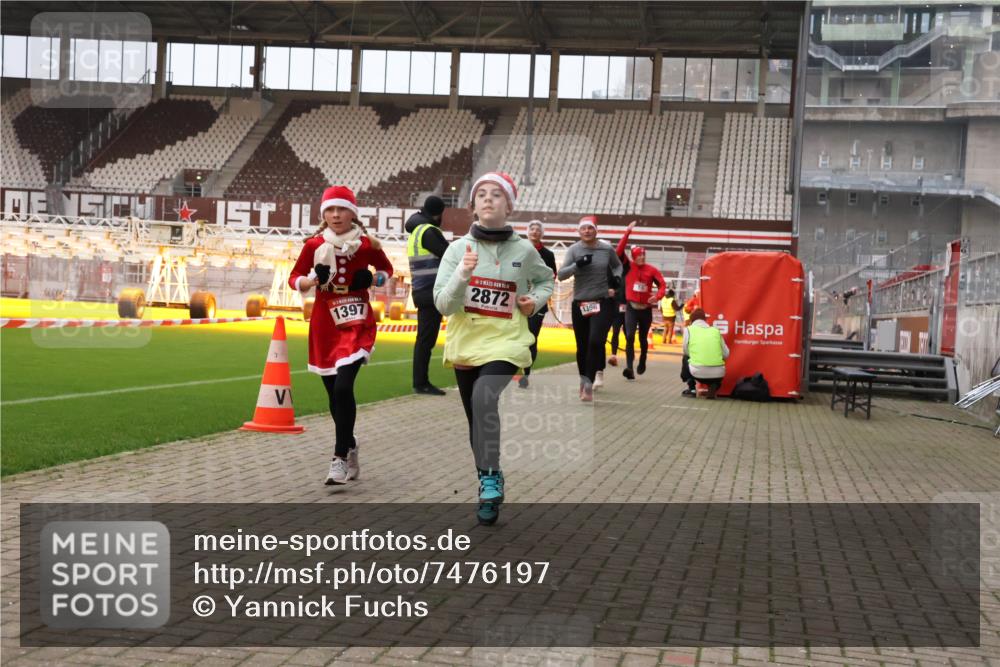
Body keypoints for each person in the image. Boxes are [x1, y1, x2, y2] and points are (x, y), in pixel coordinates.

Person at [434, 172, 554, 525]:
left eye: (497, 195)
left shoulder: (524, 249)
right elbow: (442, 304)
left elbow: (546, 278)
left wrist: (536, 300)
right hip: (466, 342)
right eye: (481, 195)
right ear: (472, 207)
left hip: (507, 340)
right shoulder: (457, 251)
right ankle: (489, 478)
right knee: (476, 421)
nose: (488, 199)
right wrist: (462, 276)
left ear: (509, 205)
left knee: (484, 398)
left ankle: (488, 479)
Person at [289, 185, 394, 485]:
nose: (336, 215)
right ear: (323, 214)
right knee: (333, 394)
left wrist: (373, 278)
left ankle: (338, 458)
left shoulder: (366, 245)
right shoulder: (313, 245)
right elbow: (293, 277)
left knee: (343, 388)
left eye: (342, 209)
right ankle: (350, 444)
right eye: (330, 210)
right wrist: (308, 282)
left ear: (353, 213)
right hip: (325, 321)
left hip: (357, 319)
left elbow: (388, 270)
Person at [557, 216, 623, 402]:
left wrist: (617, 279)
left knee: (596, 341)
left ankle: (589, 384)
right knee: (583, 346)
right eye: (583, 228)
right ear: (579, 231)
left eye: (590, 228)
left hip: (602, 302)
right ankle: (584, 380)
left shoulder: (606, 249)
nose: (587, 231)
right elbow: (561, 275)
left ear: (596, 230)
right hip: (580, 303)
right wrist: (577, 265)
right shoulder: (574, 250)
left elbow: (617, 266)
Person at [405, 195, 449, 396]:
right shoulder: (430, 232)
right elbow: (450, 256)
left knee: (424, 339)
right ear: (438, 213)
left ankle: (420, 381)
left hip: (422, 289)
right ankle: (421, 383)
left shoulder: (417, 230)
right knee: (426, 340)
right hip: (432, 291)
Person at [520, 220, 557, 389]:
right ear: (527, 232)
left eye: (538, 230)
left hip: (537, 303)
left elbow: (551, 277)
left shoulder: (548, 255)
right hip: (517, 301)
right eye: (532, 229)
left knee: (531, 338)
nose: (535, 232)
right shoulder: (518, 249)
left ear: (542, 234)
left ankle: (526, 374)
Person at [620, 245, 666, 380]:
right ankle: (629, 367)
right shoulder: (628, 267)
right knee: (629, 336)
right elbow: (619, 251)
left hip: (645, 309)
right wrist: (628, 231)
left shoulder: (652, 270)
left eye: (643, 255)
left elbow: (662, 285)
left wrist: (657, 296)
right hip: (631, 308)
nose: (642, 257)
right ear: (633, 257)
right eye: (639, 255)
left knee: (642, 338)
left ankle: (643, 359)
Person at [682, 308, 729, 399]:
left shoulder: (688, 330)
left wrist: (695, 355)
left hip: (697, 372)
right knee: (718, 361)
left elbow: (685, 350)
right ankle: (714, 384)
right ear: (705, 320)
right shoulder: (715, 331)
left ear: (692, 320)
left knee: (685, 357)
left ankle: (692, 389)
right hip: (718, 373)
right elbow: (726, 354)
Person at [680, 289, 702, 396]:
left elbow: (685, 350)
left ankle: (691, 386)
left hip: (696, 323)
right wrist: (693, 308)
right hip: (695, 321)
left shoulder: (705, 298)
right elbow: (687, 308)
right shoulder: (694, 300)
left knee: (686, 358)